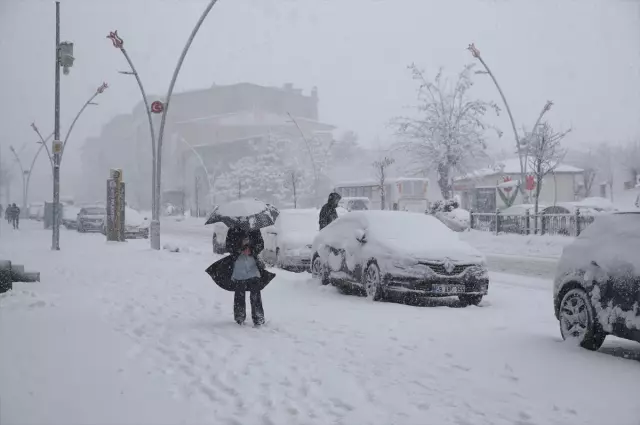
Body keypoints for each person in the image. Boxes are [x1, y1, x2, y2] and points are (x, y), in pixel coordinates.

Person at [226, 226, 267, 326]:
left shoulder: (254, 228)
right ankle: (239, 316)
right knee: (239, 292)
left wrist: (251, 250)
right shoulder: (233, 229)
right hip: (239, 266)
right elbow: (228, 246)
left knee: (255, 292)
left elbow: (260, 244)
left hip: (252, 266)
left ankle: (258, 317)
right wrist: (240, 249)